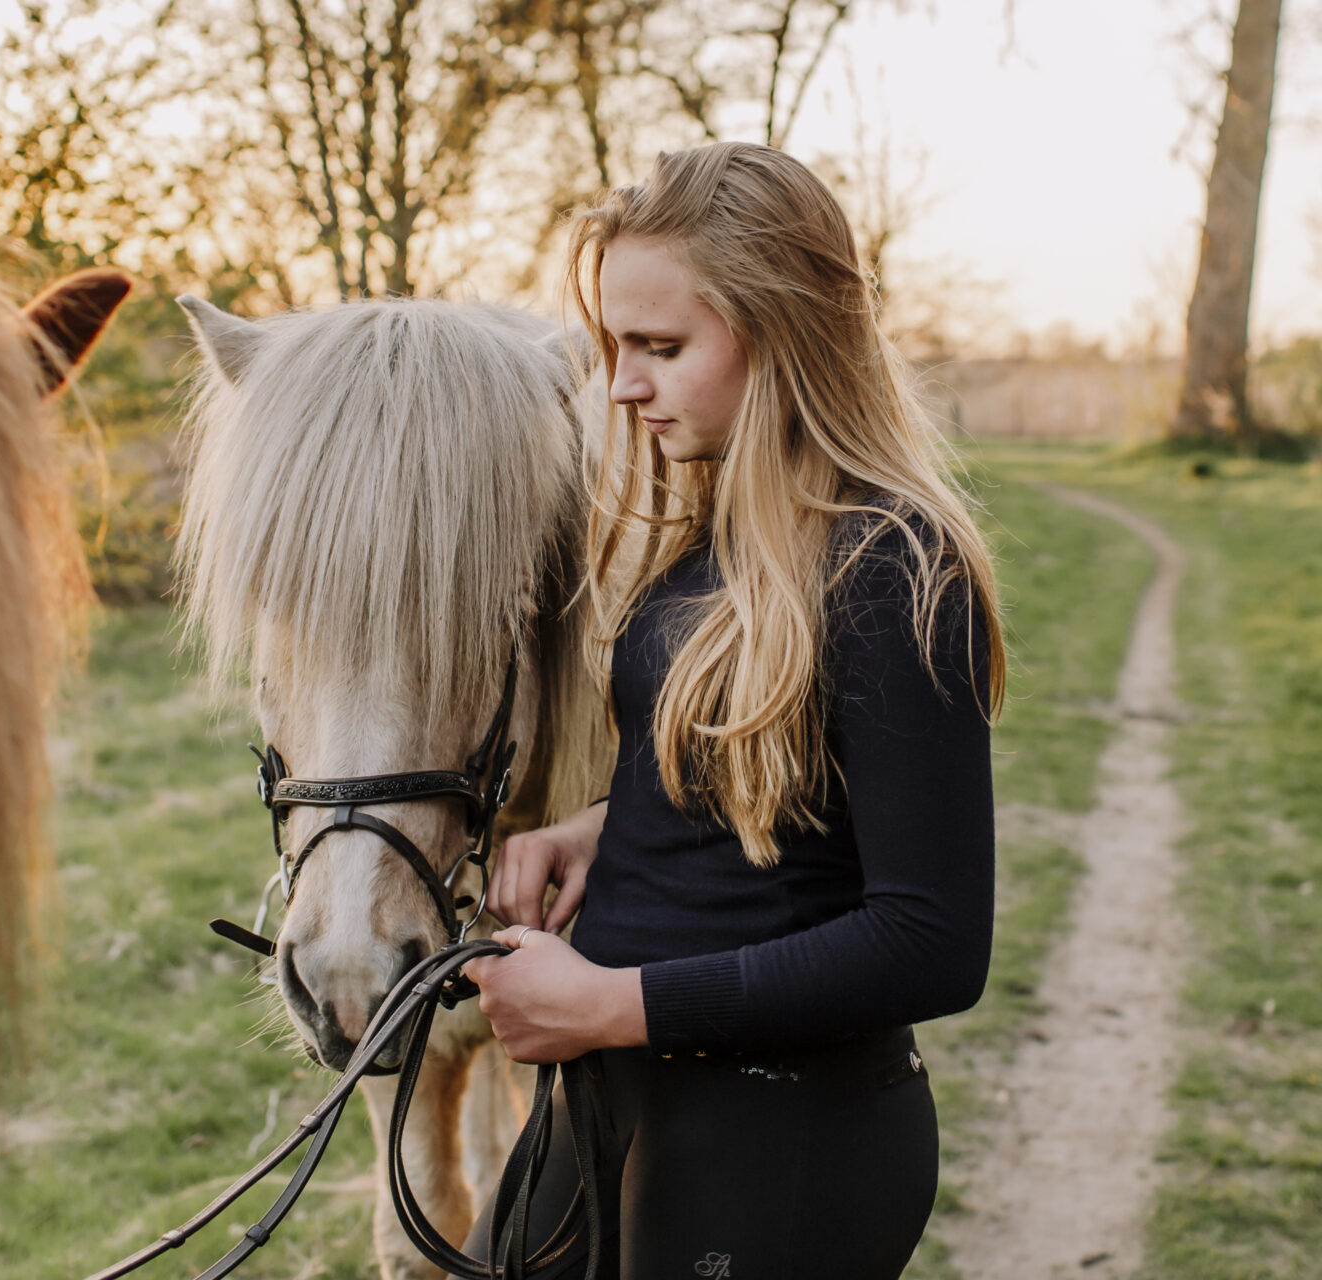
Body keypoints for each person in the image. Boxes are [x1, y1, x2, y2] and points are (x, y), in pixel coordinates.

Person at [460, 141, 1006, 1279]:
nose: (621, 384)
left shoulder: (897, 569)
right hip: (615, 1107)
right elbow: (779, 782)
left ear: (789, 334)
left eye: (661, 347)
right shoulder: (715, 545)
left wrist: (614, 1003)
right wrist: (603, 826)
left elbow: (932, 942)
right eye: (616, 345)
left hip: (778, 1143)